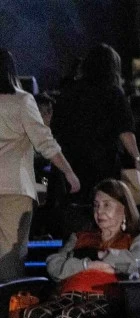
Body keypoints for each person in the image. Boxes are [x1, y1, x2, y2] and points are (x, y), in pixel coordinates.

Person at [18, 179, 140, 318]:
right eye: (96, 205)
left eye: (106, 205)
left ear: (124, 209)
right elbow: (54, 265)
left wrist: (104, 256)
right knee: (31, 314)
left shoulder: (135, 239)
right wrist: (88, 264)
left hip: (105, 298)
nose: (99, 211)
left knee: (67, 316)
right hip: (68, 295)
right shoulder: (80, 237)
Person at [0, 49, 80, 281]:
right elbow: (46, 143)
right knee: (11, 255)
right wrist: (69, 172)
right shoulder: (23, 101)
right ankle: (10, 311)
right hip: (15, 188)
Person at [52, 44, 140, 198]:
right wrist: (138, 159)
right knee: (102, 203)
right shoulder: (113, 93)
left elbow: (56, 127)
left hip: (71, 160)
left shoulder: (70, 91)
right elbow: (125, 131)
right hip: (103, 162)